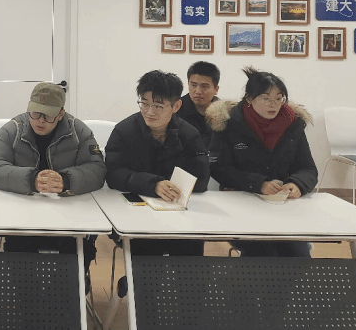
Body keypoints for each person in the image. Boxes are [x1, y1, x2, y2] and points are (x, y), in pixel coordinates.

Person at [0, 82, 106, 289]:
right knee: (19, 252)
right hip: (21, 218)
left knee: (76, 252)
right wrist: (31, 179)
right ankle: (26, 297)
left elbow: (98, 169)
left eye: (48, 115)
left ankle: (68, 296)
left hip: (68, 218)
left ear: (61, 113)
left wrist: (66, 180)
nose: (40, 120)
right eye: (35, 113)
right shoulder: (13, 129)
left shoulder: (79, 131)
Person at [207, 66, 318, 257]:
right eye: (265, 98)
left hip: (281, 206)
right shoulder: (229, 123)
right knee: (264, 253)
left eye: (279, 98)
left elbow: (308, 168)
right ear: (249, 99)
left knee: (298, 254)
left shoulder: (293, 125)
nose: (273, 104)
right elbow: (219, 169)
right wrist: (258, 184)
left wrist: (297, 184)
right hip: (240, 203)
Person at [104, 70, 209, 256]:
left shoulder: (189, 135)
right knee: (145, 245)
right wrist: (153, 185)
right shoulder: (124, 131)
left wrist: (175, 188)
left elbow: (201, 179)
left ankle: (189, 277)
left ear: (176, 106)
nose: (149, 112)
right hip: (135, 213)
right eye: (144, 104)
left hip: (179, 212)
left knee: (191, 243)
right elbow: (112, 174)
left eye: (158, 106)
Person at [178, 61, 221, 148]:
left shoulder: (225, 113)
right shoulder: (176, 109)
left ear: (216, 89)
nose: (198, 91)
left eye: (204, 87)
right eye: (193, 85)